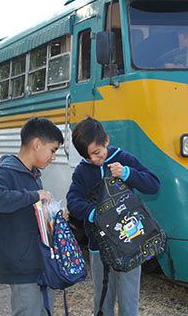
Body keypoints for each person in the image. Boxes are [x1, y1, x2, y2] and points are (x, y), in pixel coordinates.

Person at [66, 117, 160, 316]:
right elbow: (73, 200)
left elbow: (153, 185)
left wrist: (127, 173)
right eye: (87, 156)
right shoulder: (82, 171)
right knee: (102, 299)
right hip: (98, 247)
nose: (93, 159)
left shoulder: (123, 158)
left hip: (130, 245)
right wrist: (92, 214)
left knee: (128, 299)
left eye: (97, 153)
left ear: (106, 141)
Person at [0, 117, 64, 316]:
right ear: (36, 144)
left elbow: (28, 211)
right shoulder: (7, 172)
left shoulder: (33, 175)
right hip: (23, 267)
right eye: (53, 150)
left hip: (38, 262)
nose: (54, 157)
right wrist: (33, 196)